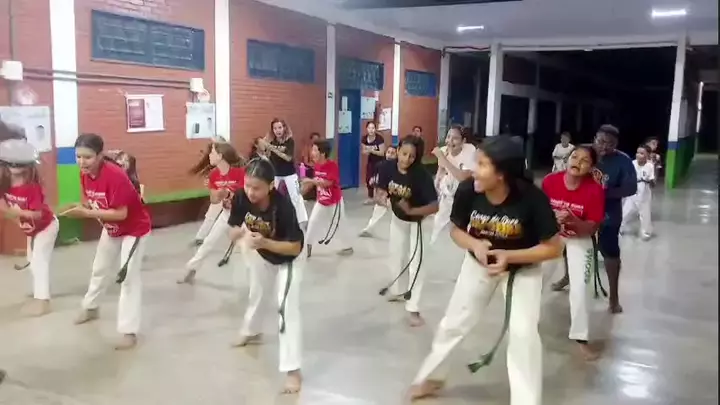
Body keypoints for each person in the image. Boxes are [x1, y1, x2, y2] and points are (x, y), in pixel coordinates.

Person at [409, 135, 563, 404]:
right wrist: (475, 245)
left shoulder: (531, 198)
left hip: (522, 271)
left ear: (502, 174)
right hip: (478, 264)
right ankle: (432, 377)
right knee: (453, 323)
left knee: (523, 334)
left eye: (481, 164)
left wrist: (509, 256)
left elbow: (553, 248)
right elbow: (456, 231)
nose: (474, 170)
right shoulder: (469, 190)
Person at [64, 133, 151, 350]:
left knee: (128, 278)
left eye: (87, 157)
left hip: (134, 230)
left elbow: (121, 213)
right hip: (111, 229)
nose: (82, 162)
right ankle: (91, 307)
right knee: (99, 269)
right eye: (78, 157)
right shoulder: (85, 174)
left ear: (100, 155)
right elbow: (96, 202)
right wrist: (81, 207)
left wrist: (85, 214)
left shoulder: (115, 175)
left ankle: (129, 331)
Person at [227, 158, 305, 394]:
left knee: (285, 308)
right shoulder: (241, 197)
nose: (251, 192)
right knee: (257, 293)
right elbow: (232, 228)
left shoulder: (283, 207)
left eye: (257, 188)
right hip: (263, 253)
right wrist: (238, 234)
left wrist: (265, 243)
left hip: (289, 258)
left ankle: (293, 370)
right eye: (247, 185)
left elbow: (294, 247)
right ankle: (251, 331)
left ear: (270, 186)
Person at [551, 125, 636, 313]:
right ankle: (567, 277)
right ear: (595, 138)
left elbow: (631, 188)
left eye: (610, 144)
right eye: (601, 141)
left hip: (608, 214)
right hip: (578, 210)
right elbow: (567, 174)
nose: (604, 146)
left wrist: (600, 194)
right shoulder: (585, 153)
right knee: (568, 244)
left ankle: (614, 298)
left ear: (616, 145)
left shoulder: (623, 161)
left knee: (610, 253)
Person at [542, 144, 605, 361]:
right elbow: (538, 212)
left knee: (581, 287)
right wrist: (552, 218)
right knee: (533, 278)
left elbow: (591, 228)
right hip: (553, 235)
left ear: (591, 168)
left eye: (584, 160)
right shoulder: (550, 181)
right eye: (574, 156)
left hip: (579, 237)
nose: (577, 162)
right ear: (567, 159)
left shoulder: (594, 191)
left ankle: (581, 338)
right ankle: (524, 324)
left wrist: (573, 220)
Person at [376, 135, 438, 327]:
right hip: (398, 218)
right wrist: (381, 198)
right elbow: (381, 190)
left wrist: (412, 211)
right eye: (404, 154)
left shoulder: (421, 175)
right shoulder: (387, 167)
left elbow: (434, 206)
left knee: (416, 263)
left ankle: (413, 308)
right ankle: (398, 290)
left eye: (412, 156)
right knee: (395, 256)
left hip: (419, 222)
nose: (406, 159)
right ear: (398, 150)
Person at [0, 138, 58, 317]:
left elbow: (37, 214)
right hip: (30, 229)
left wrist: (16, 212)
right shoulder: (4, 184)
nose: (14, 168)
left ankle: (43, 301)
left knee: (39, 260)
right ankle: (39, 291)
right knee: (32, 261)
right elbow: (3, 205)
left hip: (46, 227)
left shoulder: (32, 187)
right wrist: (14, 214)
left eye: (18, 164)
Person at [179, 142, 245, 284]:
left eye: (212, 153)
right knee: (208, 242)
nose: (209, 155)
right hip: (226, 214)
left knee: (249, 248)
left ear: (220, 156)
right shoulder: (214, 175)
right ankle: (191, 269)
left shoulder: (240, 172)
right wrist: (220, 194)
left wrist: (228, 194)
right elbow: (214, 200)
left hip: (244, 216)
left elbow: (244, 196)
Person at [302, 139, 353, 257]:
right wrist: (303, 190)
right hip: (321, 201)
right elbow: (316, 182)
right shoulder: (317, 166)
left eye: (315, 150)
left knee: (339, 224)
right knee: (312, 222)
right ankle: (308, 246)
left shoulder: (332, 166)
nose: (312, 153)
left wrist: (310, 181)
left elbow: (328, 183)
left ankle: (347, 246)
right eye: (312, 150)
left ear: (323, 153)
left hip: (334, 202)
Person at [429, 125, 476, 245]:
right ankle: (435, 246)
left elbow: (462, 177)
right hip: (448, 194)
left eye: (455, 138)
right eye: (448, 136)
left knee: (462, 227)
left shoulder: (470, 151)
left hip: (465, 196)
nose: (450, 141)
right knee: (439, 224)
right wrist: (437, 184)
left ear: (463, 141)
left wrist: (442, 158)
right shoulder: (444, 150)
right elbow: (440, 171)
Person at [259, 118, 309, 227]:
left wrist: (272, 148)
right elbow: (266, 155)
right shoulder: (271, 141)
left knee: (295, 197)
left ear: (284, 128)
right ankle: (274, 219)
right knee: (272, 196)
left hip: (289, 173)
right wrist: (263, 147)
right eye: (275, 128)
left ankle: (302, 220)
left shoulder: (289, 141)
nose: (278, 130)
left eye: (280, 127)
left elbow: (288, 158)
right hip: (276, 173)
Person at [359, 146, 396, 237]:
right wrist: (373, 180)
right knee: (377, 212)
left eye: (392, 153)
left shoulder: (398, 167)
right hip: (383, 193)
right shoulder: (380, 165)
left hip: (394, 193)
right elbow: (376, 176)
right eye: (388, 152)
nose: (389, 155)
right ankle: (368, 229)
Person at [620, 144, 655, 240]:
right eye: (637, 153)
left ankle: (645, 231)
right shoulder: (632, 164)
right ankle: (620, 228)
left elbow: (652, 180)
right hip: (633, 190)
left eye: (642, 153)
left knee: (645, 212)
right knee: (626, 211)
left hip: (645, 191)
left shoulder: (650, 166)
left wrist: (650, 181)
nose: (638, 155)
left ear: (647, 155)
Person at [361, 122, 386, 205]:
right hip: (371, 161)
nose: (371, 130)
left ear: (375, 129)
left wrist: (371, 150)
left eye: (373, 128)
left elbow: (382, 152)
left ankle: (380, 197)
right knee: (368, 179)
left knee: (379, 180)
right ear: (366, 129)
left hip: (380, 161)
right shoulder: (364, 139)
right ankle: (370, 197)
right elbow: (364, 151)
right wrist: (367, 151)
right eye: (369, 128)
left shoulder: (379, 138)